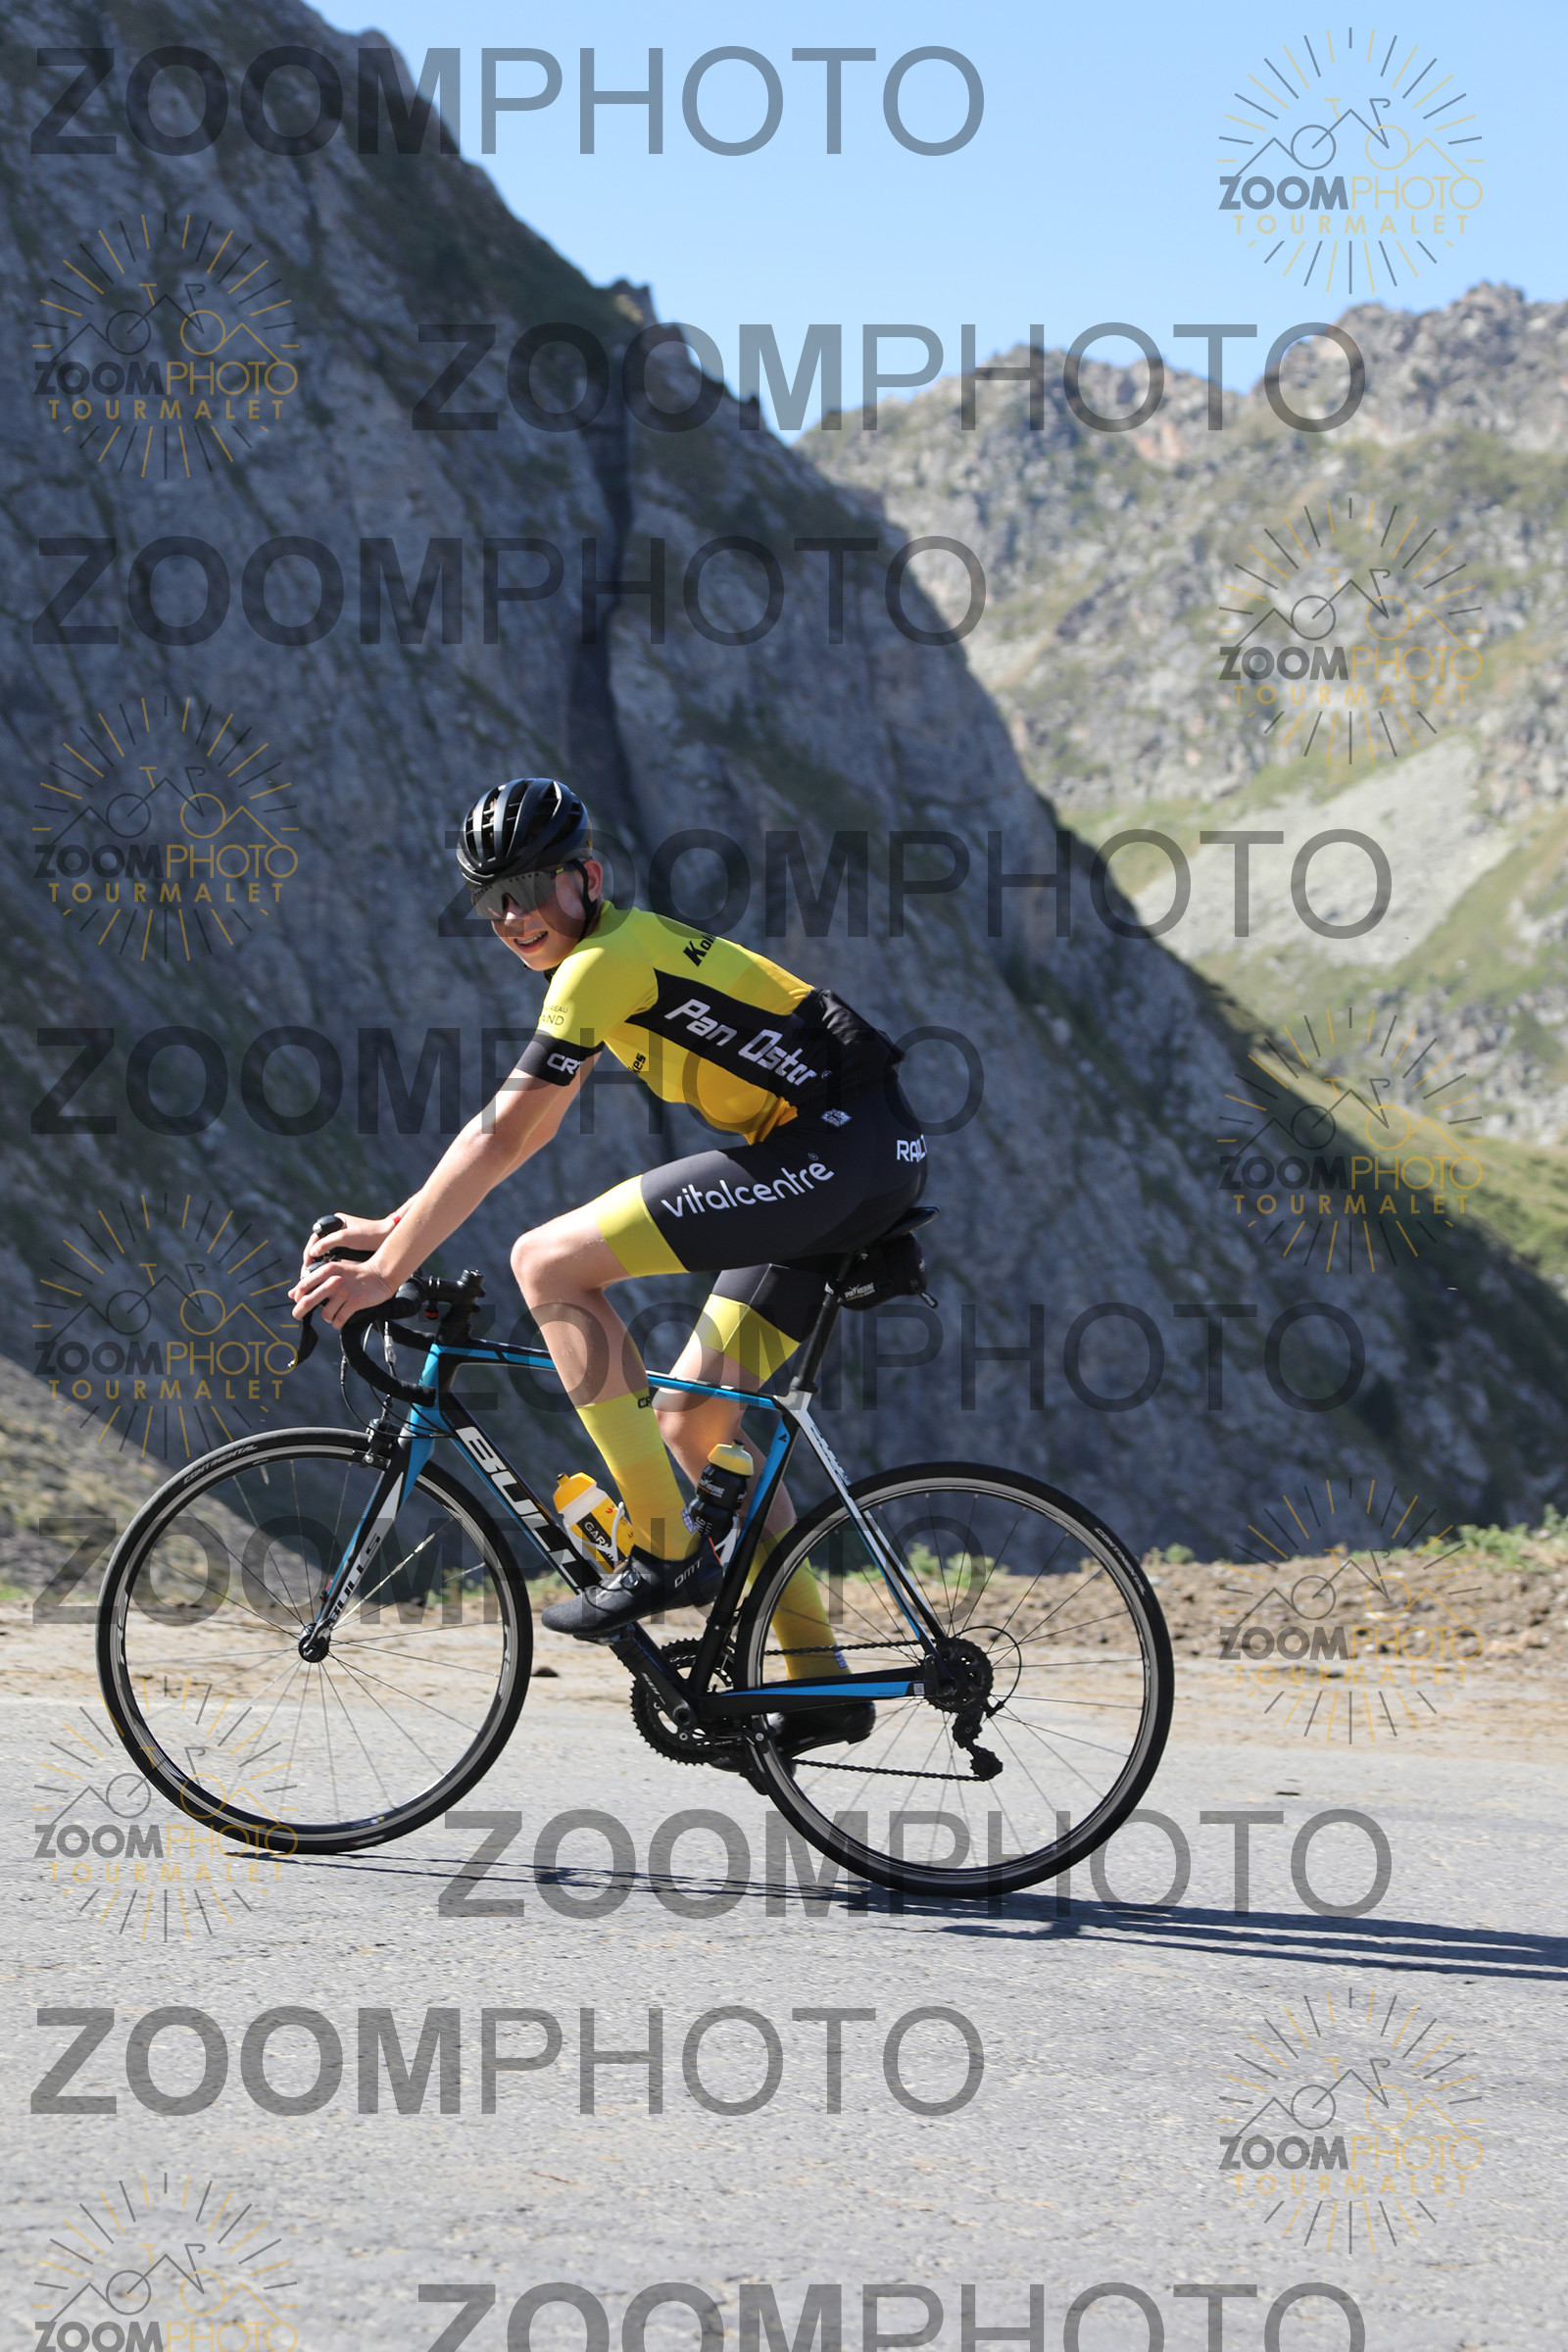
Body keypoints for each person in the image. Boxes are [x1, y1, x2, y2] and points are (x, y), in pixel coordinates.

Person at [290, 777, 927, 1746]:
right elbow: (520, 1126)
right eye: (490, 899)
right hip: (857, 1153)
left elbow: (509, 1133)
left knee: (547, 1263)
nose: (511, 917)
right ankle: (818, 1682)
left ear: (586, 877)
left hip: (836, 1152)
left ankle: (667, 1550)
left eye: (529, 888)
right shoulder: (616, 955)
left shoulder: (600, 966)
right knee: (694, 1420)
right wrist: (398, 1226)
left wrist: (388, 1269)